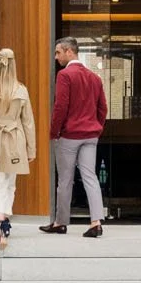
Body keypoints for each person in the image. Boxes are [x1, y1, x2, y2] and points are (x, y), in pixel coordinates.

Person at [43, 37, 106, 237]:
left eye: (58, 52)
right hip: (90, 135)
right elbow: (102, 108)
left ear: (70, 52)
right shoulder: (95, 78)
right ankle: (96, 222)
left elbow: (60, 107)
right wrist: (97, 128)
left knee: (65, 180)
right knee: (90, 177)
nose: (56, 57)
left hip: (69, 135)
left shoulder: (65, 75)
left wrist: (54, 132)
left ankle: (60, 222)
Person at [0, 48, 37, 251]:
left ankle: (0, 219)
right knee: (10, 182)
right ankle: (5, 219)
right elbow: (28, 122)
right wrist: (31, 148)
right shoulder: (21, 90)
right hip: (15, 138)